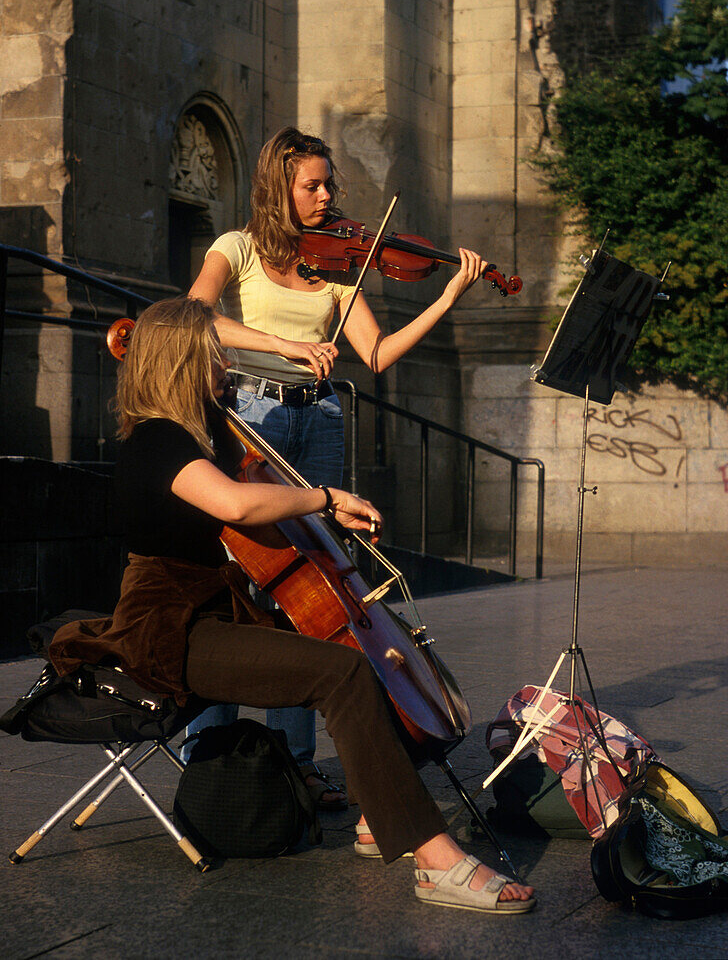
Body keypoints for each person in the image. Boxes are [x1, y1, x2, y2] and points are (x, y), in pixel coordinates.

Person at [49, 297, 535, 915]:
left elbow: (255, 517)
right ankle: (434, 859)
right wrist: (324, 497)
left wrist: (313, 513)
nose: (225, 363)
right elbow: (237, 507)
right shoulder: (157, 441)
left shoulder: (199, 436)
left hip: (209, 611)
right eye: (213, 354)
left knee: (348, 664)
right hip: (169, 629)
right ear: (182, 362)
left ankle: (382, 816)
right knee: (343, 672)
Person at [185, 127, 490, 808]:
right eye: (311, 185)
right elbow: (196, 316)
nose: (325, 196)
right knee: (243, 583)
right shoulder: (235, 248)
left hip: (319, 420)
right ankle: (210, 753)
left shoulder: (338, 265)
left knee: (314, 591)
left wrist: (447, 298)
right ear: (278, 187)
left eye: (329, 185)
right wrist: (281, 346)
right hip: (254, 418)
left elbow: (375, 354)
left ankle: (298, 761)